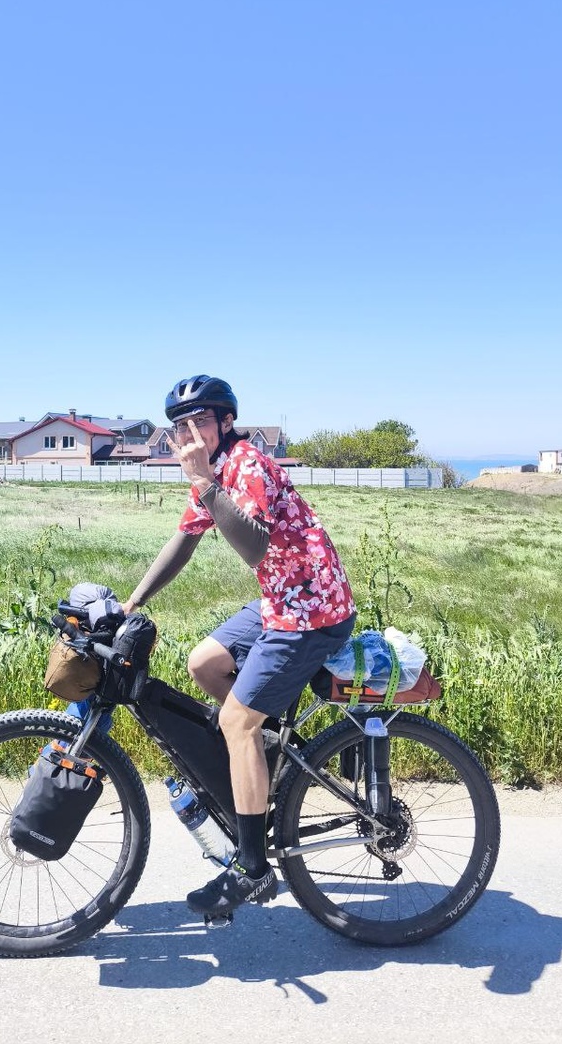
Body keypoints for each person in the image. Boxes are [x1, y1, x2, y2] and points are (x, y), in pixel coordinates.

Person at [121, 375, 357, 917]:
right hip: (281, 601)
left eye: (200, 421)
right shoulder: (217, 470)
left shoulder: (245, 463)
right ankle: (265, 756)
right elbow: (185, 539)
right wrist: (134, 601)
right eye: (181, 426)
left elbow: (253, 547)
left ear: (226, 422)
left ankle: (252, 868)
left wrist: (206, 484)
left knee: (236, 722)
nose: (190, 434)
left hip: (311, 611)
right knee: (204, 664)